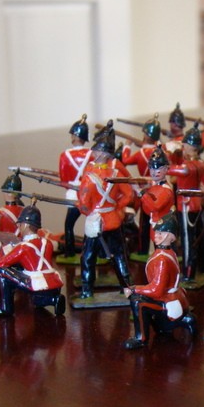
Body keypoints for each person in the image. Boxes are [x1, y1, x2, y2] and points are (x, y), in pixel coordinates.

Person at [123, 213, 196, 349]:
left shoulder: (162, 259)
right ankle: (160, 325)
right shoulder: (166, 253)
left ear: (170, 237)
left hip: (168, 300)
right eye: (156, 232)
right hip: (170, 296)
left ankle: (141, 338)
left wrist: (134, 289)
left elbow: (156, 290)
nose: (156, 235)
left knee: (138, 302)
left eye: (161, 233)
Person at [77, 121, 133, 299]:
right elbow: (128, 194)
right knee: (120, 255)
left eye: (95, 150)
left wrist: (87, 210)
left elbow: (84, 203)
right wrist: (116, 207)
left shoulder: (89, 177)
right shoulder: (116, 173)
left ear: (101, 153)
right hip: (113, 219)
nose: (93, 152)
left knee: (88, 257)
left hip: (96, 222)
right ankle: (126, 286)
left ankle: (87, 290)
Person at [0, 205, 65, 317]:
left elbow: (1, 262)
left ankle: (5, 308)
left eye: (20, 224)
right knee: (36, 301)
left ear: (26, 225)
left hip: (37, 284)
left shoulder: (23, 247)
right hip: (54, 283)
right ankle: (54, 299)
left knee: (2, 271)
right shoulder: (47, 243)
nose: (18, 226)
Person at [168, 123, 204, 281]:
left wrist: (168, 152)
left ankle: (188, 273)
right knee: (195, 238)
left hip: (185, 205)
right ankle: (199, 267)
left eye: (184, 144)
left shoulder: (186, 167)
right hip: (196, 203)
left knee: (187, 241)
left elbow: (167, 169)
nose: (182, 146)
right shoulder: (201, 164)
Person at [121, 114, 160, 255]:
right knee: (157, 219)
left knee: (144, 221)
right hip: (157, 188)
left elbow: (125, 160)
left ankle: (143, 250)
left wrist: (127, 146)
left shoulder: (141, 153)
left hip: (144, 187)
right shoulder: (160, 151)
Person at [59, 113, 94, 258]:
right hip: (89, 193)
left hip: (73, 195)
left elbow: (63, 178)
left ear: (74, 136)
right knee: (91, 224)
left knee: (69, 225)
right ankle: (90, 250)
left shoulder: (64, 155)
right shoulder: (92, 154)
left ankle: (69, 253)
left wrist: (71, 184)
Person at [135, 145, 176, 248]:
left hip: (164, 229)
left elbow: (154, 207)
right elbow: (147, 210)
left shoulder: (166, 190)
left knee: (164, 252)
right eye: (152, 168)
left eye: (158, 169)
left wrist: (141, 193)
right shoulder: (154, 187)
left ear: (166, 169)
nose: (154, 172)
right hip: (155, 226)